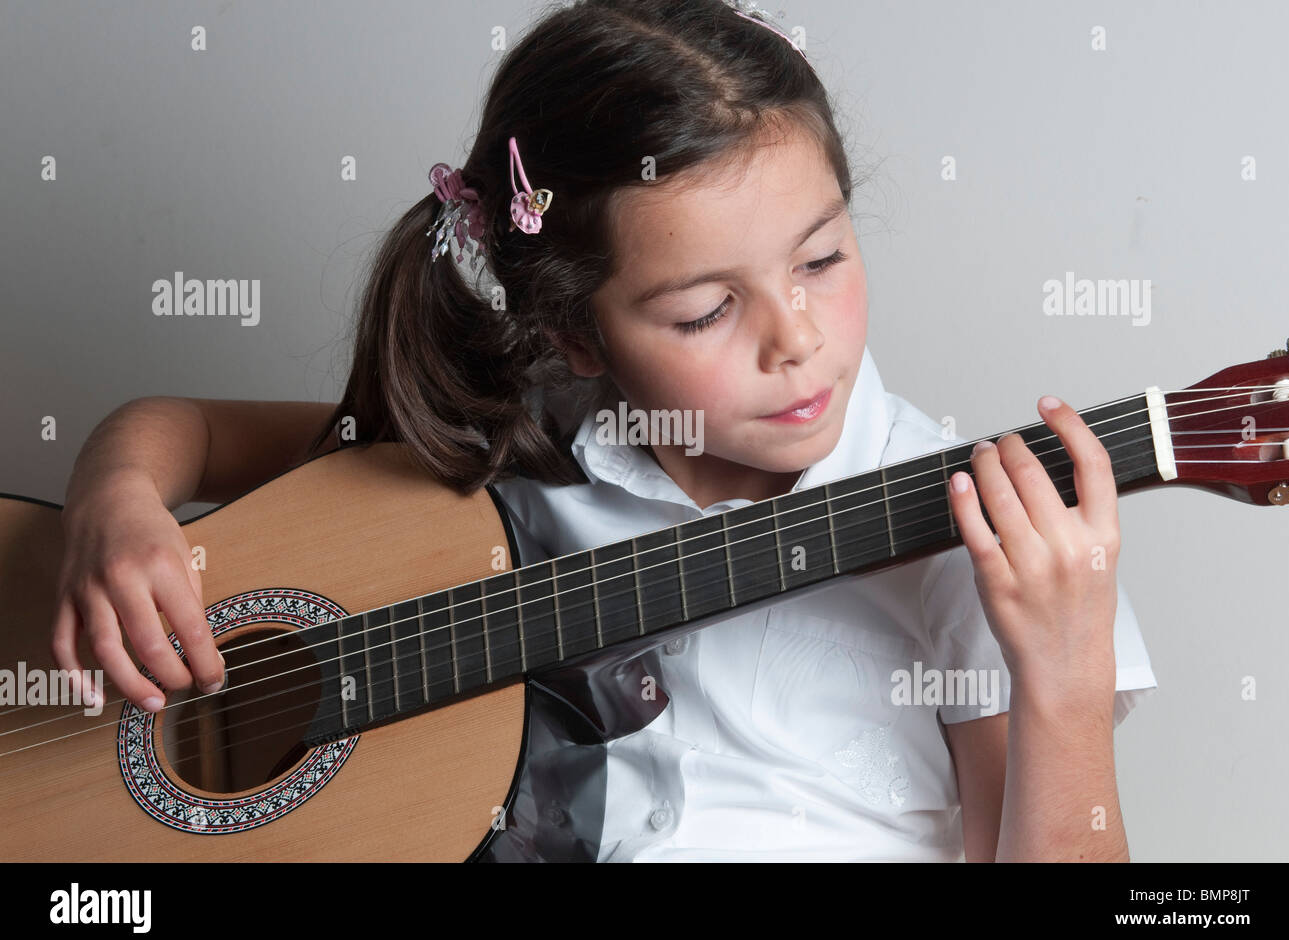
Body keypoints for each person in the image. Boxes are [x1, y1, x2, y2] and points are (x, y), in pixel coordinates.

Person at [52, 0, 1156, 861]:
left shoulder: (988, 543)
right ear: (574, 334)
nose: (797, 338)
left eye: (821, 258)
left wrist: (1062, 676)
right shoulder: (505, 455)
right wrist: (116, 504)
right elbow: (176, 428)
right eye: (703, 310)